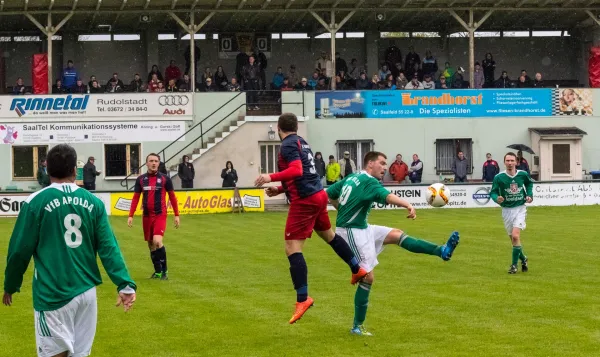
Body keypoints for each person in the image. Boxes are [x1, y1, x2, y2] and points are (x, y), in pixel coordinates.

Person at [3, 144, 137, 357]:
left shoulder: (35, 202)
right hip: (86, 293)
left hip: (53, 293)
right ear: (75, 170)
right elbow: (109, 247)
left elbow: (19, 251)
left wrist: (10, 284)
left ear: (47, 170)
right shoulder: (94, 202)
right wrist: (125, 283)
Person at [327, 151, 460, 336]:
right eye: (381, 163)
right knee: (367, 277)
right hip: (351, 231)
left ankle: (442, 250)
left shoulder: (353, 176)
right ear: (370, 164)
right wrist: (407, 204)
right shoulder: (369, 181)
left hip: (362, 228)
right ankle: (357, 326)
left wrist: (339, 207)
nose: (384, 168)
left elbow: (328, 194)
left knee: (397, 235)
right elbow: (388, 196)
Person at [254, 113, 367, 324]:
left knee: (292, 247)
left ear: (279, 128)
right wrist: (279, 189)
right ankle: (356, 268)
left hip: (305, 200)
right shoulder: (302, 142)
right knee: (329, 236)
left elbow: (296, 171)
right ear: (296, 127)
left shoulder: (287, 144)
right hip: (318, 195)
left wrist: (269, 177)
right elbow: (304, 173)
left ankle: (302, 299)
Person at [128, 153, 181, 280]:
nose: (153, 163)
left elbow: (172, 197)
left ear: (159, 163)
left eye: (156, 161)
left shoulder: (165, 179)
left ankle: (164, 272)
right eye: (151, 161)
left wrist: (176, 215)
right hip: (146, 216)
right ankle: (157, 272)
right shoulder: (140, 179)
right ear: (146, 163)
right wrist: (131, 215)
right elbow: (136, 198)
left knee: (157, 241)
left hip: (160, 215)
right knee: (151, 244)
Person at [490, 152, 534, 274]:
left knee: (515, 236)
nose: (510, 163)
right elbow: (492, 192)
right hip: (506, 210)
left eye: (512, 161)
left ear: (516, 162)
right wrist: (496, 198)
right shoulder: (499, 177)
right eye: (507, 161)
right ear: (504, 162)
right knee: (514, 241)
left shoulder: (523, 174)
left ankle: (514, 266)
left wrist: (529, 195)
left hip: (520, 208)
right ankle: (524, 259)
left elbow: (529, 183)